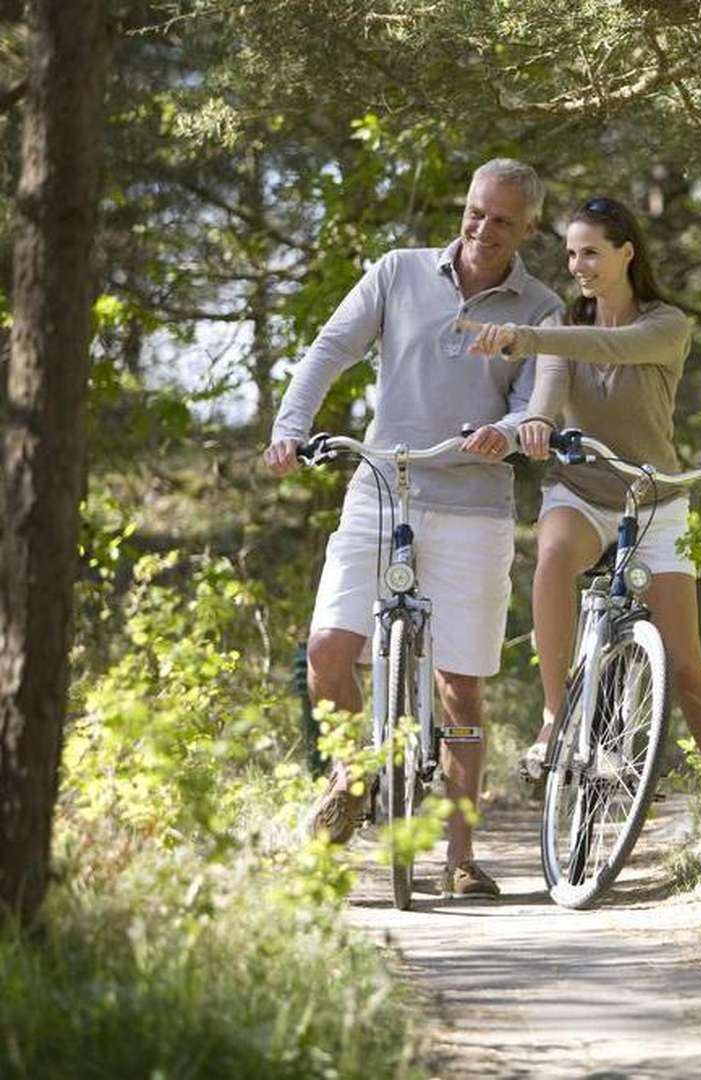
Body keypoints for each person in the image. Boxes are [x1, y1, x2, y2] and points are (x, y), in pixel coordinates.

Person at [264, 158, 562, 896]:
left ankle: (459, 858)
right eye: (475, 212)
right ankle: (349, 774)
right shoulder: (398, 272)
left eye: (501, 220)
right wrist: (290, 428)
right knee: (327, 651)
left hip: (473, 506)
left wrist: (508, 430)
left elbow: (536, 402)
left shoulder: (543, 309)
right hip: (381, 486)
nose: (483, 229)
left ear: (529, 228)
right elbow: (331, 347)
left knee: (460, 686)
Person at [464, 195, 701, 842]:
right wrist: (531, 425)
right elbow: (545, 396)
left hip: (653, 501)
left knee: (686, 668)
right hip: (583, 491)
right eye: (570, 254)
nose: (580, 266)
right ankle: (554, 718)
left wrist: (525, 336)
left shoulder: (665, 325)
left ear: (627, 253)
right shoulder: (565, 327)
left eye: (591, 252)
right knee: (555, 553)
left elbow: (611, 347)